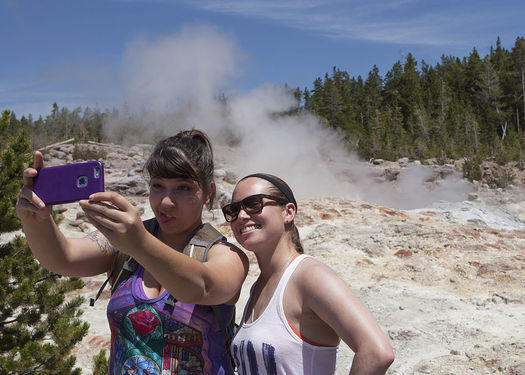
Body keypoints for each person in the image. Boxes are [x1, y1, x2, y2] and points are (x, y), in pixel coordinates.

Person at [16, 129, 249, 375]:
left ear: (208, 192)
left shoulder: (225, 254)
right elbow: (63, 258)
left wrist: (139, 243)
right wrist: (36, 220)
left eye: (183, 188)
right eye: (158, 186)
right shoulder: (126, 243)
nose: (166, 202)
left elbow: (201, 287)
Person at [221, 173, 395, 375]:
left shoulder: (309, 277)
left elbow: (377, 352)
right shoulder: (259, 285)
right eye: (233, 210)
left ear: (288, 212)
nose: (241, 216)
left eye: (253, 204)